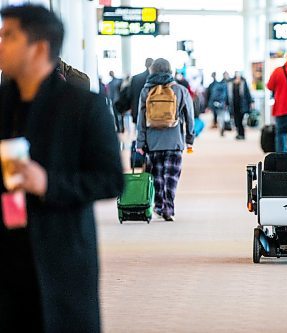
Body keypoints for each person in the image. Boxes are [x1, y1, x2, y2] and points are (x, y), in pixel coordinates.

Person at [0, 5, 123, 332]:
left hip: (64, 253)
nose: (1, 45)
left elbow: (111, 180)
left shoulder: (84, 105)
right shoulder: (3, 104)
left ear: (39, 47)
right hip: (7, 254)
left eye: (9, 37)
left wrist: (48, 184)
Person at [136, 58, 195, 222]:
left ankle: (159, 206)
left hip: (153, 142)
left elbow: (141, 119)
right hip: (174, 141)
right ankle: (169, 207)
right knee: (171, 177)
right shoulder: (180, 90)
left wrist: (140, 143)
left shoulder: (146, 91)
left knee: (157, 176)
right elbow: (190, 116)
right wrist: (190, 139)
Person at [227, 71, 253, 140]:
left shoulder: (243, 83)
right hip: (234, 105)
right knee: (236, 120)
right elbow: (228, 95)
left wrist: (251, 102)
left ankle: (242, 134)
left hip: (242, 105)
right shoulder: (230, 84)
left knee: (241, 120)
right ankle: (239, 133)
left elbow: (247, 94)